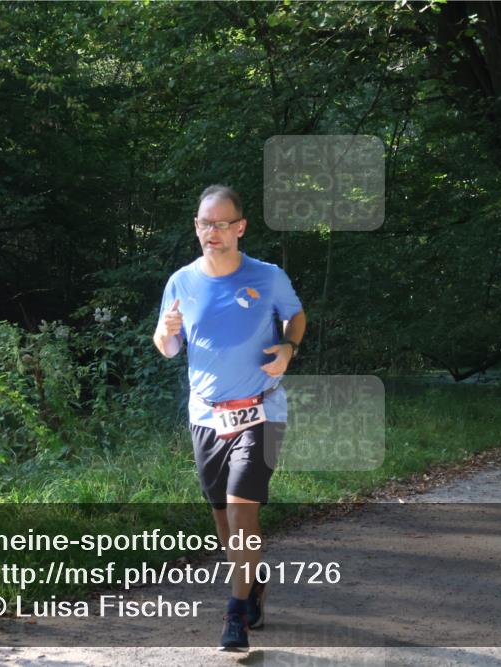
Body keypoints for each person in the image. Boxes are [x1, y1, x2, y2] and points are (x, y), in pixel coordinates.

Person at [152, 184, 306, 652]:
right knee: (223, 519)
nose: (211, 232)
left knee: (242, 511)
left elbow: (295, 317)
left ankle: (235, 615)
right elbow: (168, 348)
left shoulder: (268, 276)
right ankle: (253, 582)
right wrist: (164, 332)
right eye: (204, 223)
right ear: (196, 226)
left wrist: (288, 347)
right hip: (206, 416)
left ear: (240, 227)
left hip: (261, 410)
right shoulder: (181, 282)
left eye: (221, 224)